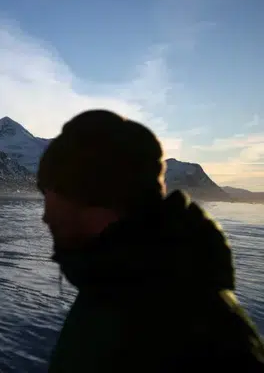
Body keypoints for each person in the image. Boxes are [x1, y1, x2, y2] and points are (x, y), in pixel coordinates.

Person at [38, 109, 264, 373]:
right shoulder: (113, 283)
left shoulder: (197, 331)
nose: (45, 216)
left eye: (49, 196)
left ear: (86, 194)